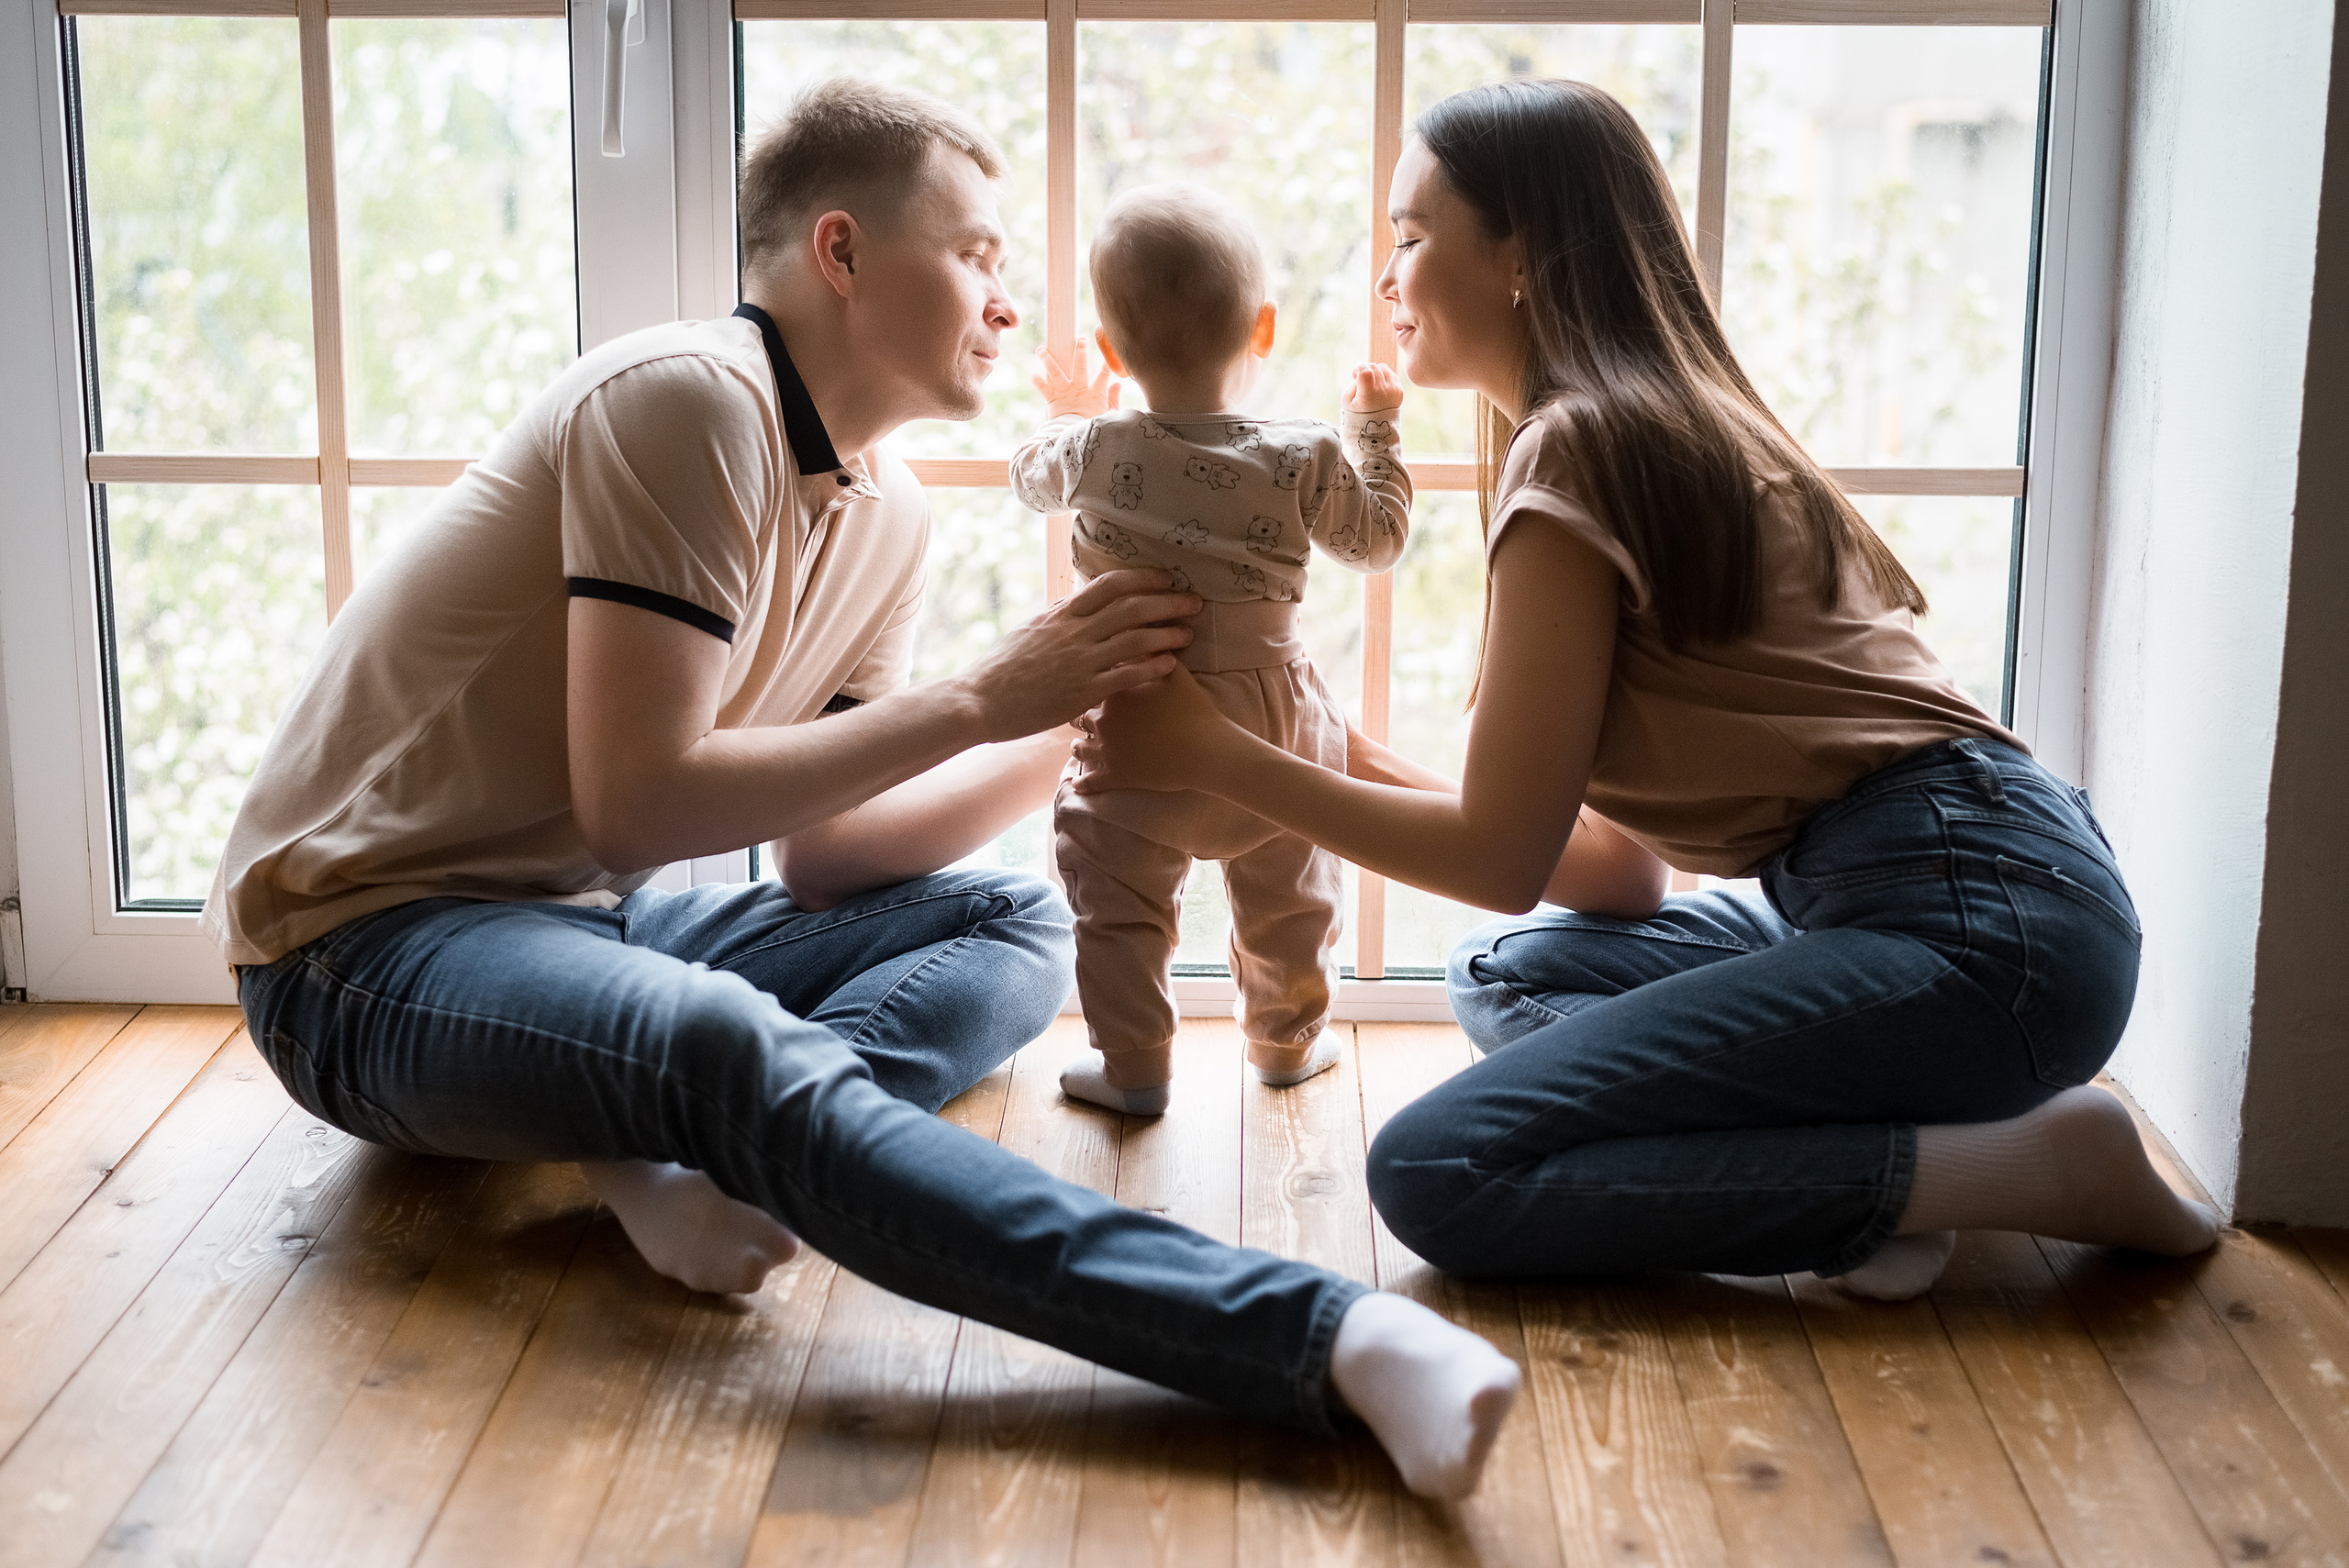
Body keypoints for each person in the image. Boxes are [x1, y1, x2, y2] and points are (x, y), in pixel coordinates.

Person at [201, 77, 1518, 1497]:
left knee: (1015, 920)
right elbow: (638, 804)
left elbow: (829, 857)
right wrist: (981, 694)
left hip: (582, 926)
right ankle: (1327, 1340)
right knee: (713, 1039)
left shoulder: (887, 512)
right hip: (357, 952)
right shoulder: (686, 403)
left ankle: (700, 1143)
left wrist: (1081, 712)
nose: (1009, 304)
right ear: (839, 253)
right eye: (977, 255)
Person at [1075, 78, 2220, 1303]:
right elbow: (1617, 876)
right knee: (1503, 973)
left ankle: (2027, 1172)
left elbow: (1498, 854)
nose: (1385, 277)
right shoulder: (1627, 425)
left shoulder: (1579, 447)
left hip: (1978, 930)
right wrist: (1330, 748)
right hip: (1945, 892)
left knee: (1438, 1167)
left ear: (1520, 255)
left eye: (1412, 238)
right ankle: (1898, 1167)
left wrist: (1224, 756)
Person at [1009, 183, 1411, 1118]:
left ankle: (1136, 1068)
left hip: (1137, 725)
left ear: (1112, 351)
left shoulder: (1094, 447)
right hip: (1274, 729)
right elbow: (1377, 541)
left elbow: (1028, 477)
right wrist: (1374, 432)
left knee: (1117, 907)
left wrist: (1072, 415)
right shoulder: (1301, 452)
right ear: (1263, 329)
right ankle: (1283, 1043)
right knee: (1292, 898)